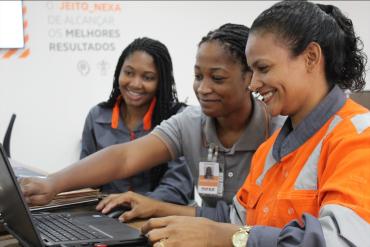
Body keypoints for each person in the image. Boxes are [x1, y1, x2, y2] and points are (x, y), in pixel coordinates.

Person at [130, 1, 370, 246]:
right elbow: (237, 220)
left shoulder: (359, 138)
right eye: (252, 71)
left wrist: (224, 236)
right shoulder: (269, 151)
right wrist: (172, 219)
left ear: (311, 57)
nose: (253, 84)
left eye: (263, 68)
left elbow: (341, 241)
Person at [20, 23, 283, 214]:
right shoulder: (190, 122)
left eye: (217, 78)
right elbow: (125, 157)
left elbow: (255, 221)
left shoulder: (280, 130)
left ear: (249, 77)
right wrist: (53, 183)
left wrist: (156, 206)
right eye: (198, 76)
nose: (203, 88)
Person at [78, 37, 193, 205]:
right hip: (106, 214)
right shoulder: (97, 116)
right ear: (119, 72)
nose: (135, 84)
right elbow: (86, 178)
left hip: (159, 217)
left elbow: (177, 188)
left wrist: (134, 203)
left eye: (148, 77)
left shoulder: (178, 118)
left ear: (161, 82)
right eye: (129, 73)